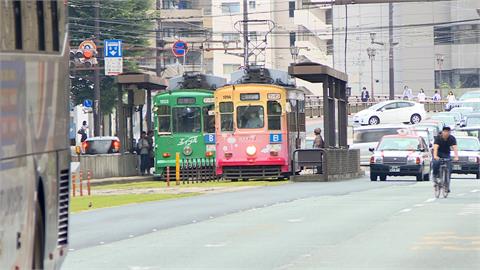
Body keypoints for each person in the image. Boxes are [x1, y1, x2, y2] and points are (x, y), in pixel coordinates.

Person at [432, 126, 459, 193]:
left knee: (449, 166)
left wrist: (456, 156)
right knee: (436, 163)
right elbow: (435, 148)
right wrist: (435, 156)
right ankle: (435, 176)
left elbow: (454, 147)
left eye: (448, 132)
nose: (446, 133)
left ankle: (447, 185)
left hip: (446, 153)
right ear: (442, 132)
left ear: (449, 132)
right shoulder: (438, 138)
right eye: (445, 131)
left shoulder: (452, 138)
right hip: (438, 153)